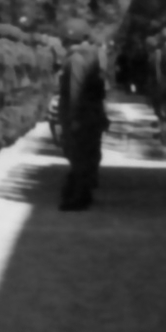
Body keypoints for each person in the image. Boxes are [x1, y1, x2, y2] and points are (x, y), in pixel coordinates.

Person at [58, 18, 108, 211]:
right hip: (92, 114)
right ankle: (83, 192)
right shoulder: (94, 56)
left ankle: (77, 197)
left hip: (81, 116)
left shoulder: (76, 59)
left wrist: (72, 119)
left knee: (77, 156)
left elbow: (74, 92)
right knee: (88, 154)